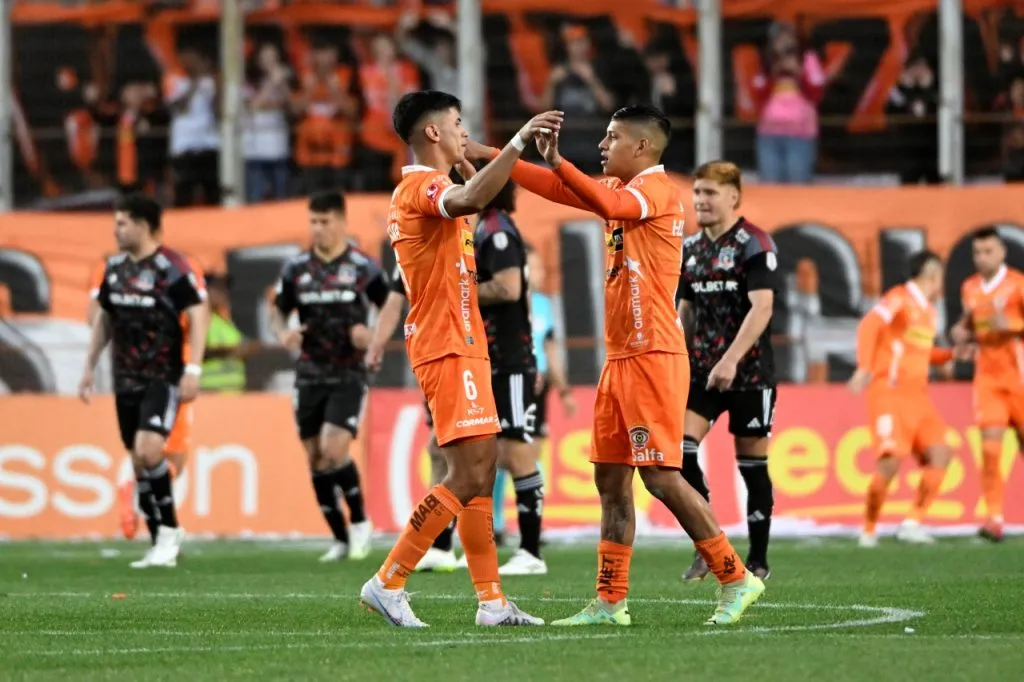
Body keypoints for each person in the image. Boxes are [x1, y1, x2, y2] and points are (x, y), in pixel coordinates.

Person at [468, 105, 765, 626]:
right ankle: (610, 601)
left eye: (612, 137)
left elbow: (599, 198)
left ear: (642, 147)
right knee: (610, 479)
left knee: (662, 478)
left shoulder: (656, 192)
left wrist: (557, 160)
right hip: (622, 358)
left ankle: (736, 576)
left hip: (653, 356)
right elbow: (559, 188)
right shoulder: (620, 190)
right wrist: (495, 152)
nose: (602, 146)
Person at [358, 89, 562, 628]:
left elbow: (470, 196)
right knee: (467, 472)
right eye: (457, 122)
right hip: (446, 344)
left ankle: (491, 602)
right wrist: (517, 142)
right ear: (433, 132)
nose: (463, 131)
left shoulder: (431, 186)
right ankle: (388, 581)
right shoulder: (421, 185)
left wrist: (475, 167)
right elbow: (470, 198)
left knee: (482, 466)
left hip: (462, 342)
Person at [78, 193, 209, 568]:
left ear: (143, 225)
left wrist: (193, 368)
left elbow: (199, 312)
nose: (116, 230)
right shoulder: (114, 268)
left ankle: (168, 533)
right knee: (139, 461)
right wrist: (89, 366)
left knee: (150, 450)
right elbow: (104, 320)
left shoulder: (172, 267)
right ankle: (160, 541)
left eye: (122, 223)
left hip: (162, 376)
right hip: (126, 378)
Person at [675, 161, 779, 582]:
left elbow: (763, 307)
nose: (700, 200)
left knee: (752, 465)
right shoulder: (690, 248)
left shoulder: (755, 243)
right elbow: (685, 310)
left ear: (733, 196)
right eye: (697, 192)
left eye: (710, 193)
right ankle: (708, 543)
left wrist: (732, 359)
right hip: (702, 371)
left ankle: (758, 559)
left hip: (749, 373)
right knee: (679, 451)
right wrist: (677, 360)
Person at [271, 190, 385, 562]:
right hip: (309, 372)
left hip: (348, 372)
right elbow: (278, 310)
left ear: (341, 222)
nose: (317, 228)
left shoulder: (363, 267)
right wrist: (283, 333)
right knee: (316, 458)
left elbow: (392, 306)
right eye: (313, 221)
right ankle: (340, 537)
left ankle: (361, 522)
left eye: (324, 221)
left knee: (335, 449)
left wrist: (372, 337)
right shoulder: (296, 268)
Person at [87, 252, 203, 543]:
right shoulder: (181, 265)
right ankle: (161, 524)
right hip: (168, 369)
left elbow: (95, 317)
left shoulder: (109, 266)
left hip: (129, 372)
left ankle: (155, 524)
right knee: (170, 454)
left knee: (143, 450)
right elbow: (198, 316)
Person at [848, 251, 955, 546]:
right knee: (890, 463)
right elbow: (869, 324)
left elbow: (922, 353)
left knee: (941, 454)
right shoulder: (900, 298)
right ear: (933, 275)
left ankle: (912, 523)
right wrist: (865, 367)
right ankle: (868, 529)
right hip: (890, 393)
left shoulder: (929, 311)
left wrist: (950, 355)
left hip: (919, 398)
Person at [472, 181, 547, 576]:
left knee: (516, 450)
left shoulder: (496, 230)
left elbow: (508, 287)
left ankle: (531, 551)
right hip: (492, 359)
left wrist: (459, 288)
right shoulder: (485, 228)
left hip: (510, 361)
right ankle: (477, 543)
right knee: (488, 454)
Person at [369, 263, 460, 572]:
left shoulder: (453, 248)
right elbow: (394, 301)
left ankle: (457, 543)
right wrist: (377, 343)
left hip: (460, 355)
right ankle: (445, 543)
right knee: (443, 450)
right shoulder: (409, 255)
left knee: (462, 452)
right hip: (431, 358)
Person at [950, 228, 1024, 542]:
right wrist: (960, 331)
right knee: (991, 449)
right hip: (988, 380)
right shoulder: (969, 287)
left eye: (988, 251)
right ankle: (994, 518)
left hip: (1019, 377)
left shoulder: (1018, 284)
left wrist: (1014, 324)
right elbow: (969, 323)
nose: (982, 258)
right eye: (978, 253)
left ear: (1002, 252)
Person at [201, 274, 254, 393]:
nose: (224, 293)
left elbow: (239, 347)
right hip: (209, 391)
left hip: (234, 392)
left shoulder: (225, 320)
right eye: (219, 289)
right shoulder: (199, 320)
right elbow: (194, 350)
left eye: (225, 289)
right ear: (205, 291)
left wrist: (247, 349)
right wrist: (230, 351)